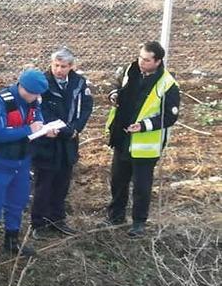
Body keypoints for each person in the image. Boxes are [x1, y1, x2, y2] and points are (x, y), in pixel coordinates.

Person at [0, 68, 56, 266]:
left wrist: (44, 129)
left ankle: (12, 240)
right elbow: (0, 134)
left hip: (22, 161)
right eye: (33, 93)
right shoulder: (0, 102)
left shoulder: (34, 101)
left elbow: (37, 119)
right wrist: (29, 129)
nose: (36, 98)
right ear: (23, 87)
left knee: (17, 203)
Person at [103, 41, 180, 237]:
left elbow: (169, 116)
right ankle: (115, 216)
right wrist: (114, 94)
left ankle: (138, 223)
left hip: (146, 144)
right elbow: (116, 84)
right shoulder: (130, 70)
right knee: (118, 180)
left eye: (146, 60)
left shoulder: (168, 84)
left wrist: (143, 126)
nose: (141, 62)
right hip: (122, 136)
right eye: (140, 58)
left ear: (157, 61)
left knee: (141, 186)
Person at [30, 47, 93, 237]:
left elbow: (86, 108)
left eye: (63, 66)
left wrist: (75, 129)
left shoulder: (78, 83)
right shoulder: (42, 82)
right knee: (43, 184)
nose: (59, 70)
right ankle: (38, 224)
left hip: (68, 141)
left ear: (71, 66)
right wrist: (58, 129)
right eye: (56, 65)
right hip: (47, 140)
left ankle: (57, 220)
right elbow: (39, 109)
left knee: (62, 183)